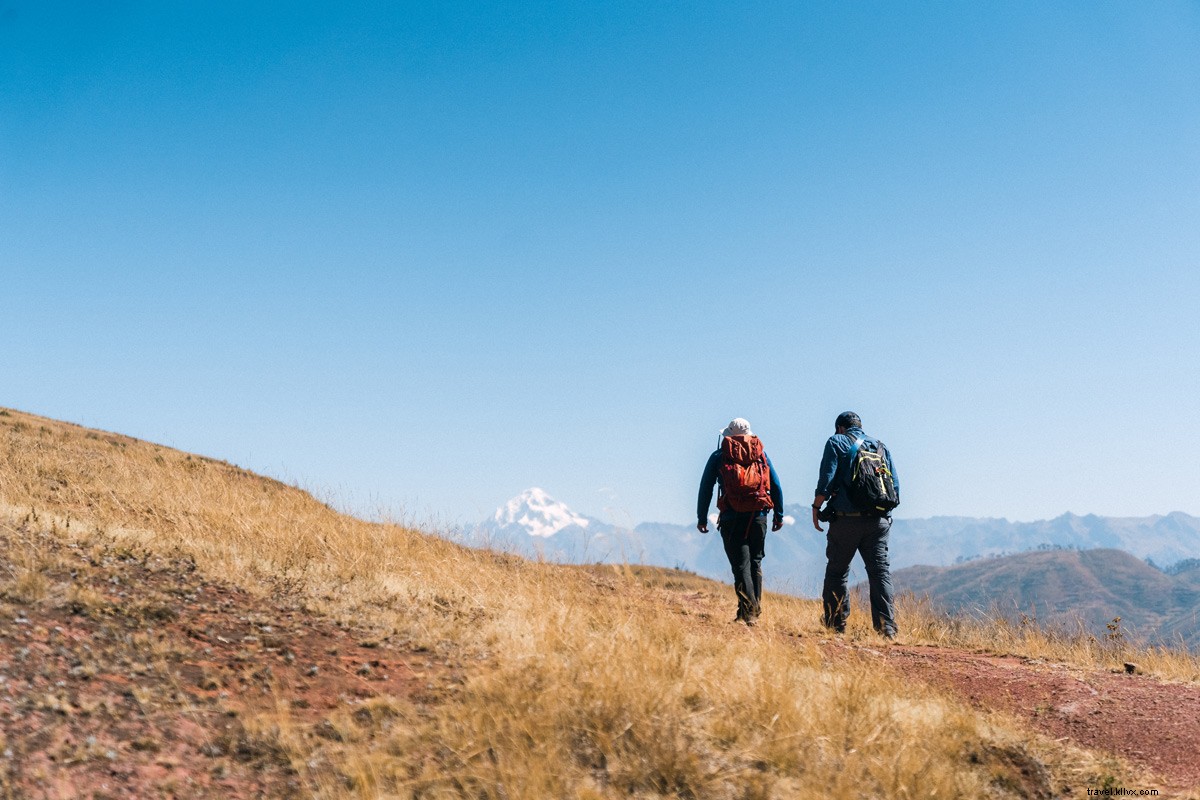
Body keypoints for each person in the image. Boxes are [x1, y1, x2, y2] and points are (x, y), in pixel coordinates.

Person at [811, 411, 900, 638]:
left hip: (846, 521)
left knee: (838, 573)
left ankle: (836, 625)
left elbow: (826, 480)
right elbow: (895, 488)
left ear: (840, 428)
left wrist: (816, 507)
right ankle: (887, 629)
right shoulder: (881, 447)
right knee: (880, 574)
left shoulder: (836, 441)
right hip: (879, 522)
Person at [697, 418, 784, 626]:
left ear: (728, 434)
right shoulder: (760, 454)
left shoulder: (720, 455)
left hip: (731, 516)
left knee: (740, 565)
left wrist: (702, 516)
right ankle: (748, 610)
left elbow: (706, 486)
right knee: (755, 562)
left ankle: (750, 610)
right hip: (758, 515)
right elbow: (776, 484)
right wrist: (779, 514)